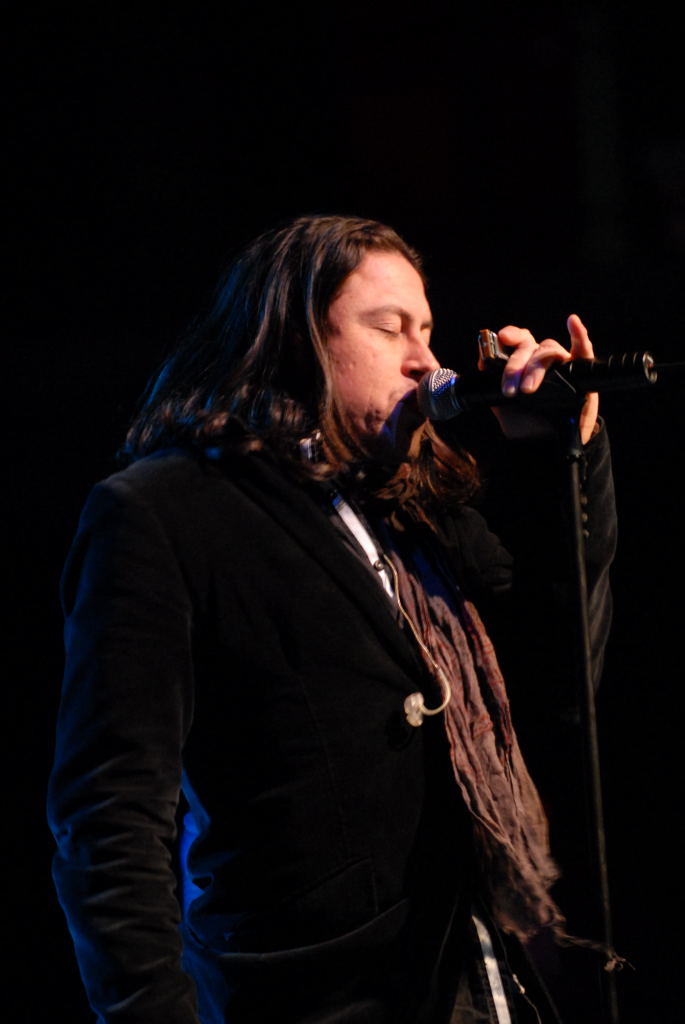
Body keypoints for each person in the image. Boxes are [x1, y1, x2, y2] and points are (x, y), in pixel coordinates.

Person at [48, 214, 615, 1023]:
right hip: (307, 997)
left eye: (426, 331)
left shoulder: (420, 512)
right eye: (388, 328)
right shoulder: (169, 512)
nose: (424, 359)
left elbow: (563, 681)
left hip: (472, 983)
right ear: (297, 339)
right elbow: (109, 816)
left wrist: (562, 460)